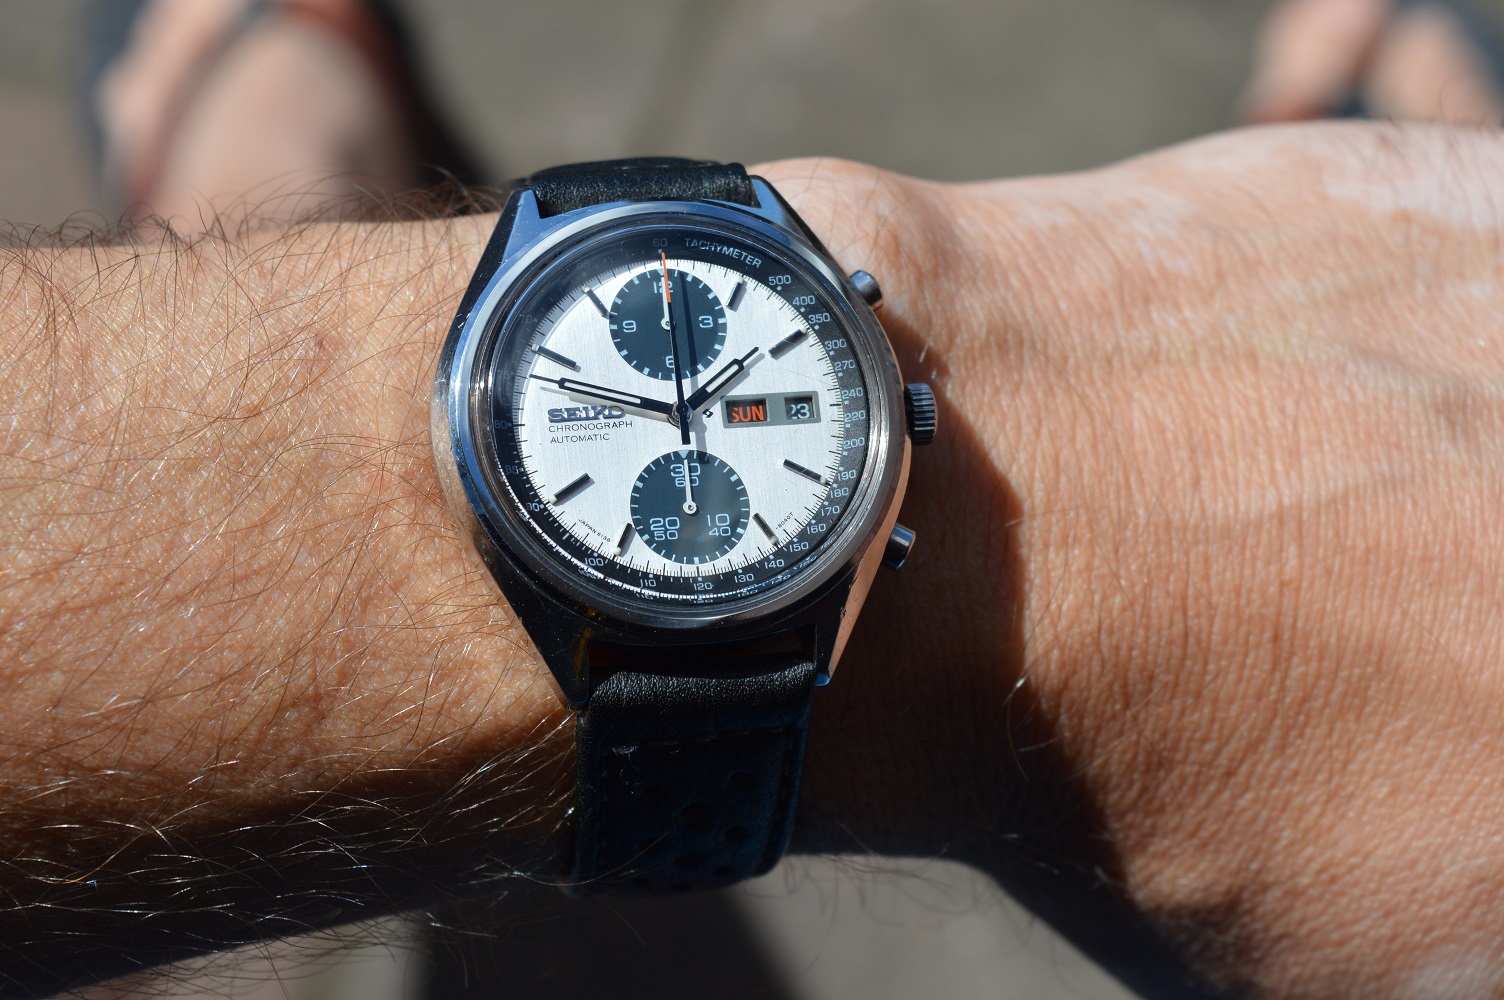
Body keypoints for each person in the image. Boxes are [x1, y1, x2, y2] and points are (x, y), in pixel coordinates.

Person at [4, 0, 1504, 996]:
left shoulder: (870, 444)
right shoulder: (490, 437)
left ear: (904, 426)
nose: (682, 418)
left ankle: (247, 204)